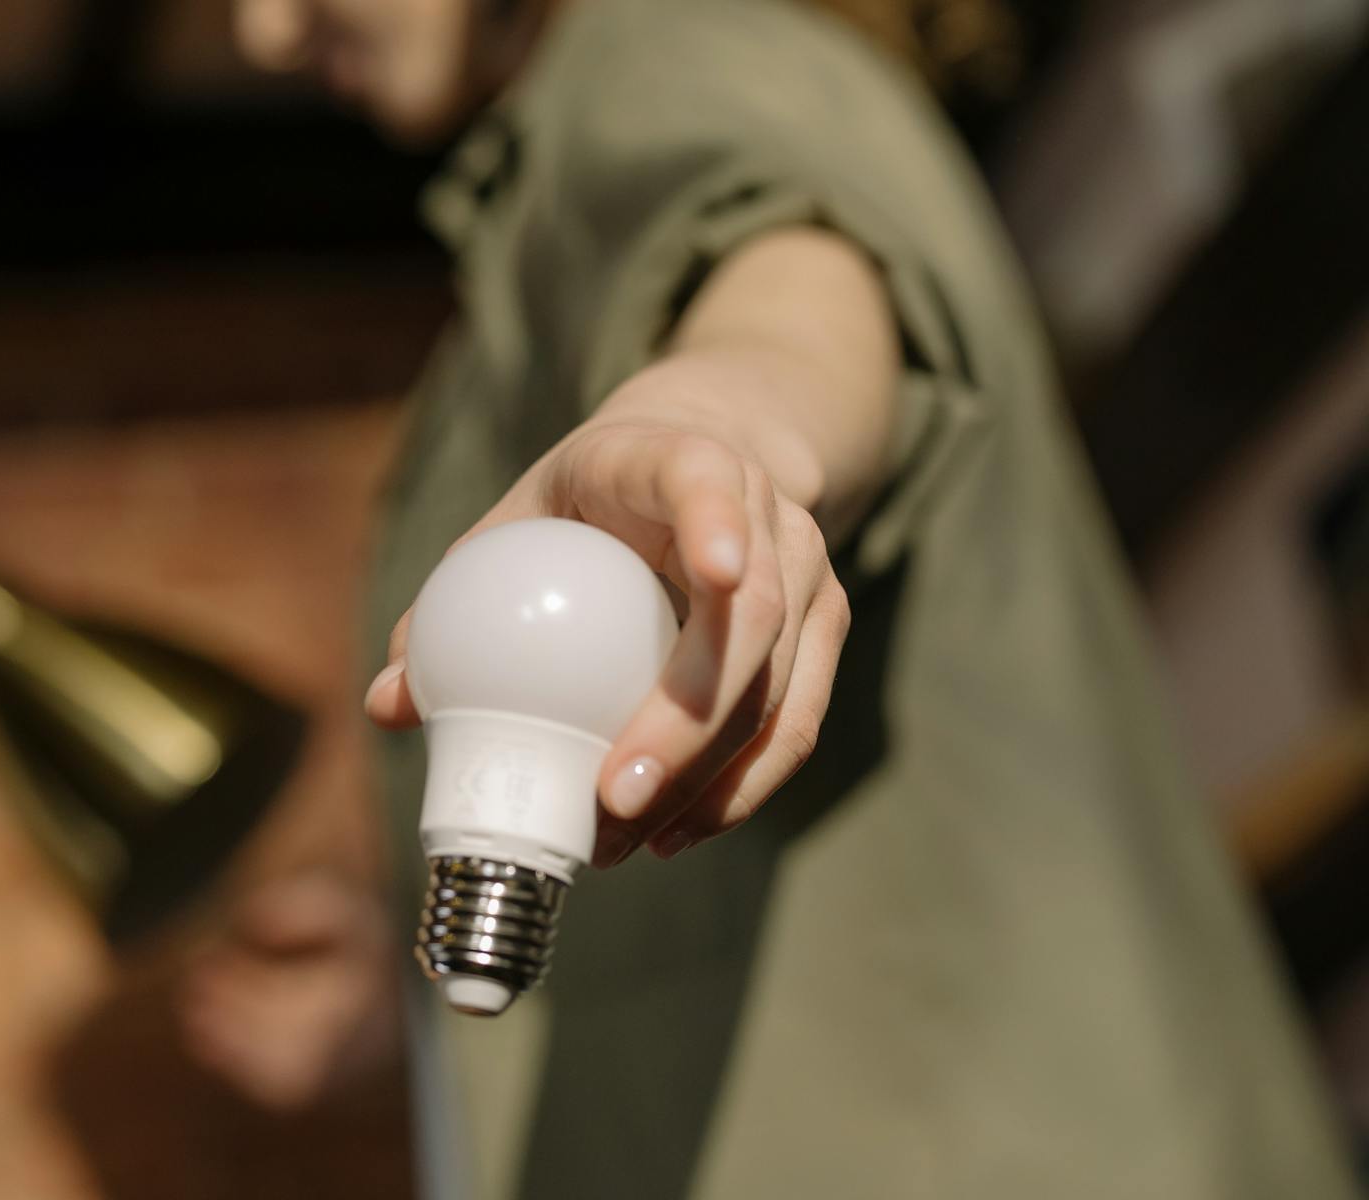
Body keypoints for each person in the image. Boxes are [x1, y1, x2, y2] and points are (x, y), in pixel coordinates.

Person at [179, 1, 1362, 1196]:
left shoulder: (684, 56)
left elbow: (793, 267)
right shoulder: (527, 230)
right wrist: (412, 996)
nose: (268, 34)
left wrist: (714, 429)